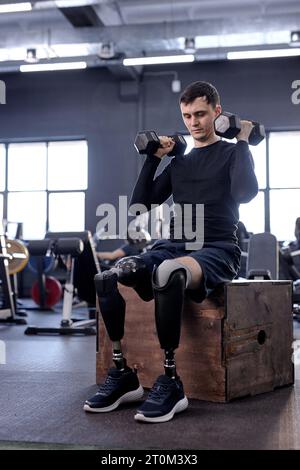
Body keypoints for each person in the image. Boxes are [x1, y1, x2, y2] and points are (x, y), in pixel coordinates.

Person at [84, 81, 258, 423]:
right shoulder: (180, 163)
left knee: (167, 272)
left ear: (217, 113)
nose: (193, 122)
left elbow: (244, 193)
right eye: (187, 115)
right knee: (113, 274)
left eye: (201, 114)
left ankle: (171, 381)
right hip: (175, 244)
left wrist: (242, 141)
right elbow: (138, 206)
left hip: (218, 248)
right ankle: (123, 375)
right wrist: (154, 157)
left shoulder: (230, 152)